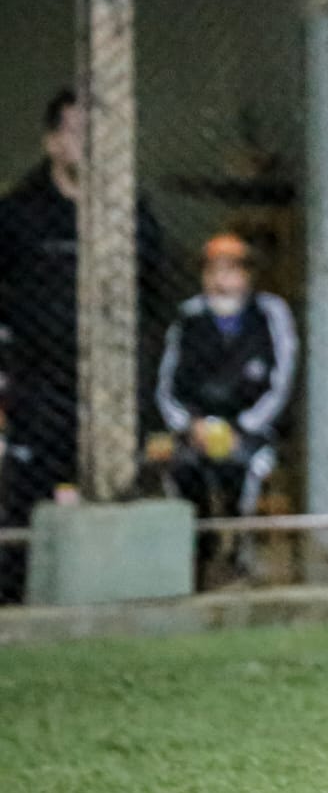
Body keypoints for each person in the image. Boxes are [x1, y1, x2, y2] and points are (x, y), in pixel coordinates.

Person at [0, 88, 173, 602]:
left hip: (112, 385)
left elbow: (155, 291)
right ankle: (16, 611)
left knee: (118, 493)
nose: (90, 147)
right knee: (29, 502)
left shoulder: (129, 210)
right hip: (38, 384)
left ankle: (113, 603)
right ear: (53, 142)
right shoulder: (18, 215)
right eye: (78, 133)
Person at [154, 232, 298, 585]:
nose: (221, 281)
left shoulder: (270, 315)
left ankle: (239, 556)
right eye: (213, 271)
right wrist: (190, 425)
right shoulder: (187, 318)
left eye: (231, 271)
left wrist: (244, 426)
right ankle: (196, 560)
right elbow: (166, 385)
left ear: (248, 275)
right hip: (195, 429)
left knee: (246, 469)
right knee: (181, 470)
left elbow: (282, 381)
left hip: (252, 429)